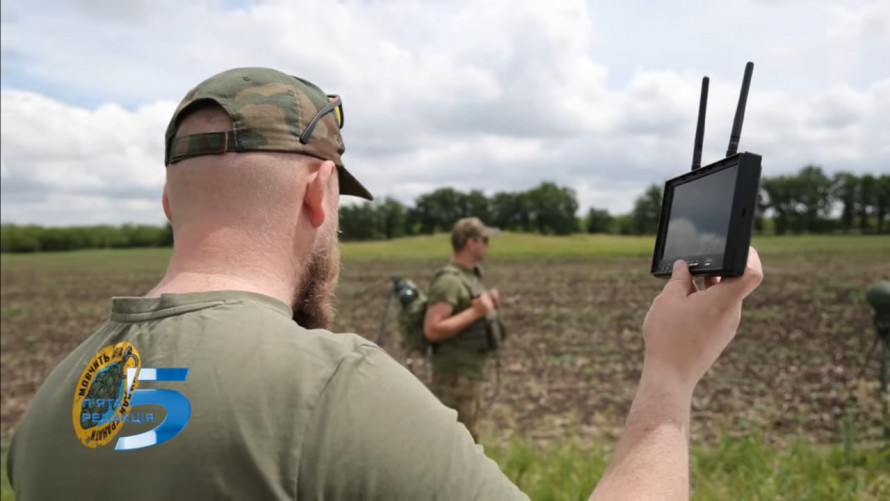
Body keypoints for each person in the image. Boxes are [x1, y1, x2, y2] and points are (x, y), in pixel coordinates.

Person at [6, 66, 764, 500]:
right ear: (318, 195)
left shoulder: (51, 405)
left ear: (170, 202)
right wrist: (669, 381)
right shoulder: (331, 389)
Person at [422, 217, 503, 441]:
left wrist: (487, 305)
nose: (488, 245)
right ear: (470, 243)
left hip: (468, 375)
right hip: (454, 379)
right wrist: (476, 312)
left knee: (466, 440)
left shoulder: (470, 276)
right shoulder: (449, 281)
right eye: (484, 239)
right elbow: (433, 328)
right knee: (455, 443)